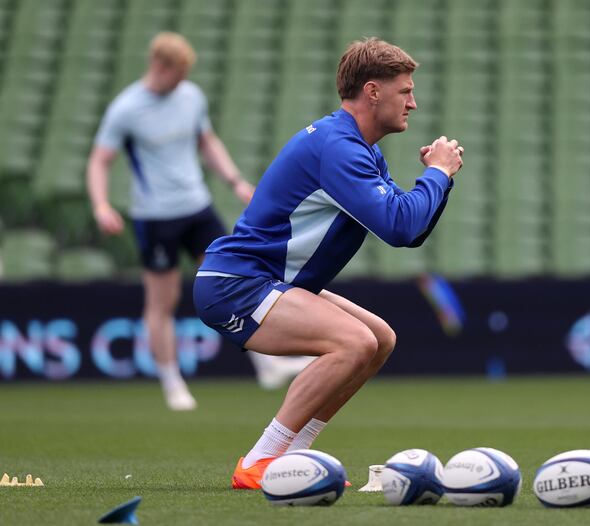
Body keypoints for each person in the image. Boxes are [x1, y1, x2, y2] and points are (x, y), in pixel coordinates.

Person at [193, 37, 464, 489]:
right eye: (405, 91)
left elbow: (409, 229)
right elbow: (399, 228)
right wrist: (437, 173)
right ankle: (259, 462)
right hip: (237, 282)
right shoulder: (340, 148)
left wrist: (439, 180)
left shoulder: (360, 148)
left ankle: (294, 457)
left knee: (379, 339)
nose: (413, 103)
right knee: (354, 342)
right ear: (373, 91)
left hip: (269, 281)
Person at [86, 32, 256, 411]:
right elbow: (100, 159)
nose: (182, 80)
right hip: (155, 216)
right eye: (177, 72)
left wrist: (235, 181)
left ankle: (267, 360)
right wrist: (101, 205)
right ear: (159, 66)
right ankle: (171, 381)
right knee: (163, 300)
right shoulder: (126, 108)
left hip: (197, 206)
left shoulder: (192, 96)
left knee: (237, 278)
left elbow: (207, 141)